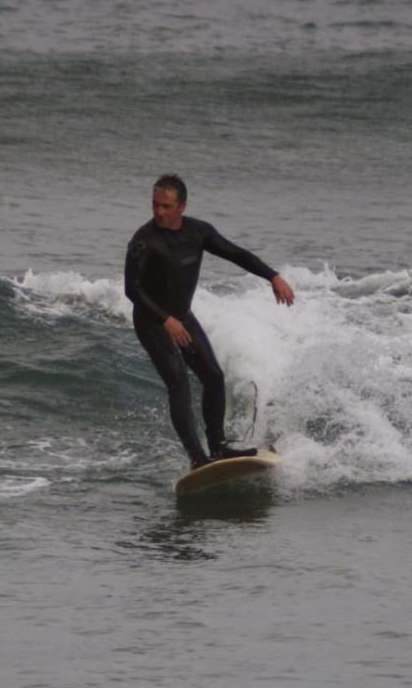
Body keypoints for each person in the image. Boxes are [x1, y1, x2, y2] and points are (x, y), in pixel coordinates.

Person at [125, 174, 295, 469]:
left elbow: (235, 253)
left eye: (166, 206)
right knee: (178, 382)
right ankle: (197, 459)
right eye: (155, 205)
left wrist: (273, 276)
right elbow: (132, 289)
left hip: (182, 317)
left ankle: (217, 448)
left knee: (214, 378)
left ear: (182, 206)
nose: (159, 212)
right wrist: (165, 320)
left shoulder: (198, 232)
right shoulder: (144, 241)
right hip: (152, 321)